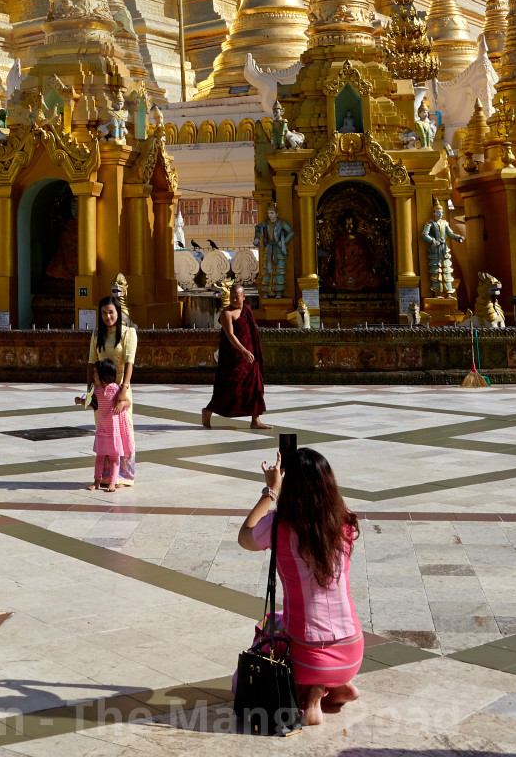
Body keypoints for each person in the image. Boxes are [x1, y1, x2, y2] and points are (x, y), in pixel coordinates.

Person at [238, 447, 363, 726]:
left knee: (270, 630)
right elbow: (325, 507)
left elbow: (244, 538)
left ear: (290, 486)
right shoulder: (345, 522)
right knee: (310, 634)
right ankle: (332, 686)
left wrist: (271, 490)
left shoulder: (278, 526)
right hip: (353, 651)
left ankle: (313, 696)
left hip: (308, 658)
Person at [79, 293, 138, 486]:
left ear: (117, 313)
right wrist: (89, 392)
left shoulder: (128, 333)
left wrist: (124, 389)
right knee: (104, 430)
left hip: (121, 389)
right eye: (104, 313)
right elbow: (91, 363)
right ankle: (105, 476)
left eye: (111, 312)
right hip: (101, 392)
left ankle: (123, 476)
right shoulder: (97, 334)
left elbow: (129, 361)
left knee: (123, 430)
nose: (108, 317)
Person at [202, 283, 270, 430]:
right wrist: (244, 351)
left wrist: (251, 352)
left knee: (255, 387)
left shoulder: (247, 310)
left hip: (250, 356)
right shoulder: (227, 313)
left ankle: (255, 420)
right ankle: (208, 411)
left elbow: (251, 332)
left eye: (236, 297)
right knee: (231, 389)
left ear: (244, 297)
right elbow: (231, 336)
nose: (233, 300)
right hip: (234, 358)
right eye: (232, 297)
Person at [86, 357, 134, 492]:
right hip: (102, 429)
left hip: (114, 431)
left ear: (104, 375)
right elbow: (93, 403)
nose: (93, 375)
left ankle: (112, 482)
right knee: (99, 457)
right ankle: (96, 481)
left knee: (114, 458)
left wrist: (120, 404)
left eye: (96, 373)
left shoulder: (115, 389)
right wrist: (80, 401)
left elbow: (128, 402)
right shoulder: (98, 390)